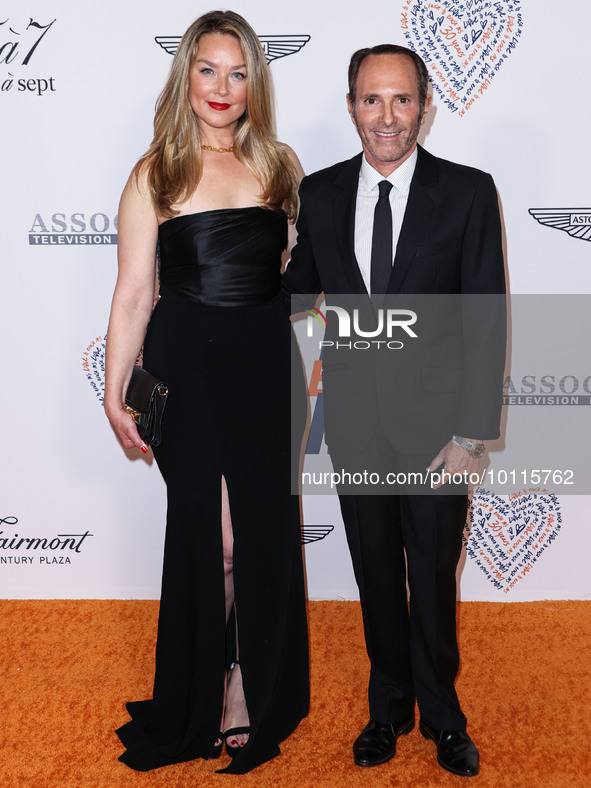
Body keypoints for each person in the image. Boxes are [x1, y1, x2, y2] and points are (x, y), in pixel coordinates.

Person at [283, 44, 506, 776]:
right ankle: (388, 709)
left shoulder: (469, 192)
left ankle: (442, 714)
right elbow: (293, 299)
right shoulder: (317, 196)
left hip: (439, 433)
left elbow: (485, 317)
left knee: (433, 578)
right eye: (370, 100)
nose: (386, 116)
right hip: (353, 426)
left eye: (400, 100)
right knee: (375, 575)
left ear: (423, 106)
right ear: (351, 106)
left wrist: (473, 433)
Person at [104, 10, 309, 775]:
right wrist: (113, 390)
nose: (223, 88)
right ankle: (208, 681)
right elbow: (132, 293)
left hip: (263, 367)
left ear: (254, 81)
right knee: (214, 540)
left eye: (238, 72)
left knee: (256, 534)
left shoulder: (281, 164)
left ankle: (244, 685)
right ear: (185, 76)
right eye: (208, 70)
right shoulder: (153, 171)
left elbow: (290, 272)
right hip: (187, 367)